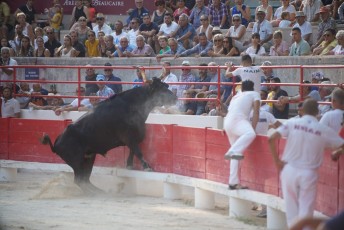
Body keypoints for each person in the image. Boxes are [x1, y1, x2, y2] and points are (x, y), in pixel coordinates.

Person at [268, 99, 344, 228]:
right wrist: (338, 151)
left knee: (291, 208)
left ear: (302, 110)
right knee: (306, 210)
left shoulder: (293, 123)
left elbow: (271, 138)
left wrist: (277, 161)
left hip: (289, 169)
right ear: (317, 112)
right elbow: (342, 143)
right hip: (308, 173)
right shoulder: (323, 129)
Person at [223, 80, 260, 190]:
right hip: (238, 121)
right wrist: (253, 128)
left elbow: (230, 111)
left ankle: (233, 182)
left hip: (227, 122)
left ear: (242, 88)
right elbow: (256, 112)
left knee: (236, 156)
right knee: (250, 134)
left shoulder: (236, 96)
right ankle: (232, 151)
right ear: (253, 88)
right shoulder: (255, 94)